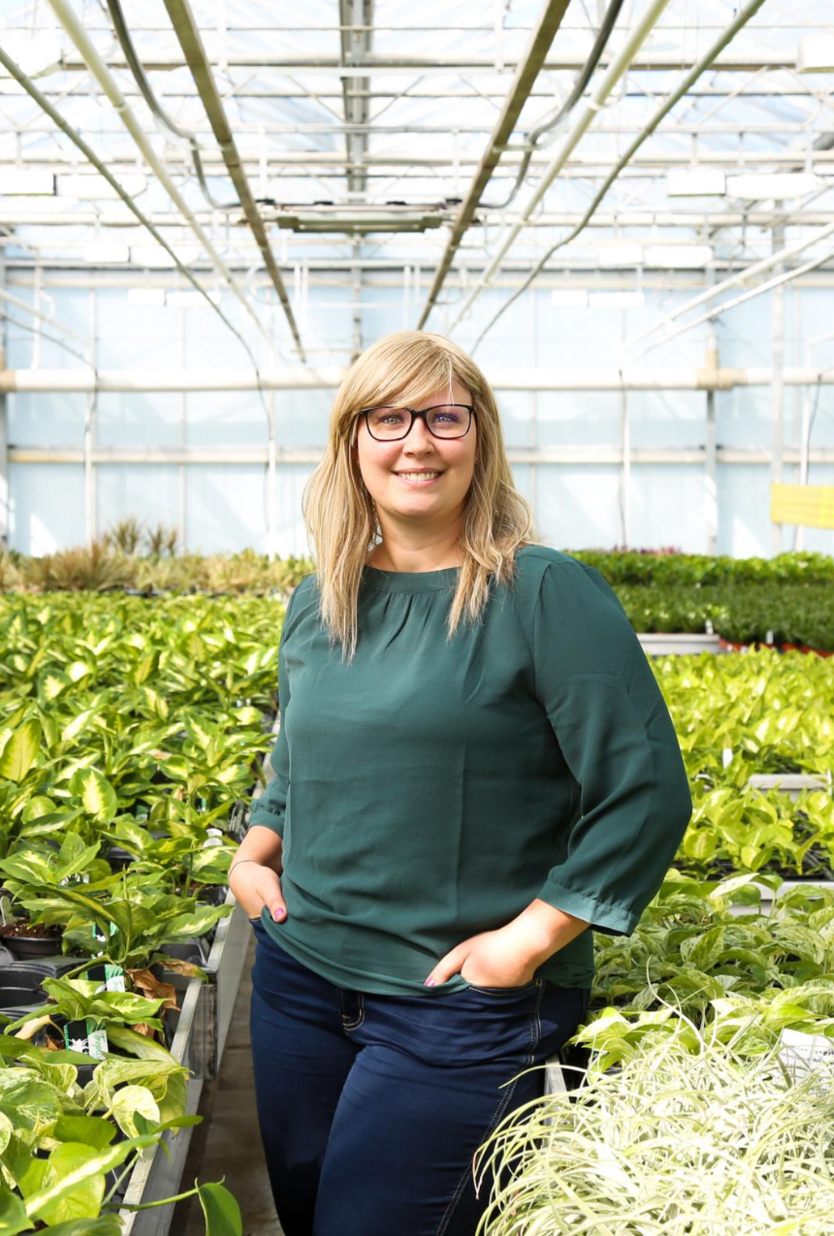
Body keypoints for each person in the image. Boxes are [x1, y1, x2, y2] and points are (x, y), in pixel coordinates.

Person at [228, 330, 691, 1236]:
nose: (417, 442)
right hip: (300, 978)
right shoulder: (320, 596)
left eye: (446, 417)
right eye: (389, 418)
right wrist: (257, 847)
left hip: (456, 1005)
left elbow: (645, 790)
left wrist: (524, 944)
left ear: (478, 439)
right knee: (305, 1215)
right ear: (351, 442)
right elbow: (299, 752)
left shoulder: (542, 593)